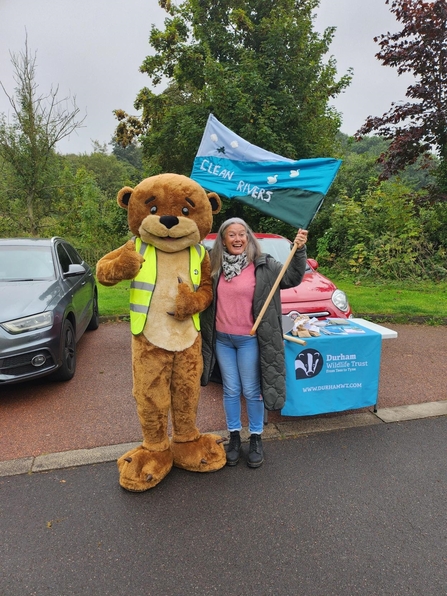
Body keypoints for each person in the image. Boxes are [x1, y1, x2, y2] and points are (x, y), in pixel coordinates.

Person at [201, 218, 308, 468]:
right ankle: (235, 437)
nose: (237, 239)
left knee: (251, 390)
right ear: (223, 240)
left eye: (242, 234)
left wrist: (299, 249)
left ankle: (256, 437)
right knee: (230, 390)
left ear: (248, 237)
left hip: (249, 340)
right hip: (222, 340)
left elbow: (292, 277)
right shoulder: (213, 266)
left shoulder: (264, 264)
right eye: (231, 235)